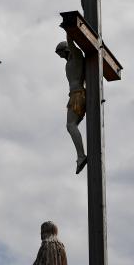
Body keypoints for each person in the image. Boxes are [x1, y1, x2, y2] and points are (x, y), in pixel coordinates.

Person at [55, 33, 87, 174]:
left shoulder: (76, 55)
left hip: (78, 95)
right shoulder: (69, 61)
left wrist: (69, 29)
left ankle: (81, 156)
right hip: (75, 95)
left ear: (65, 50)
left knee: (70, 125)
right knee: (72, 126)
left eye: (60, 53)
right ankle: (80, 155)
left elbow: (71, 42)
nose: (60, 56)